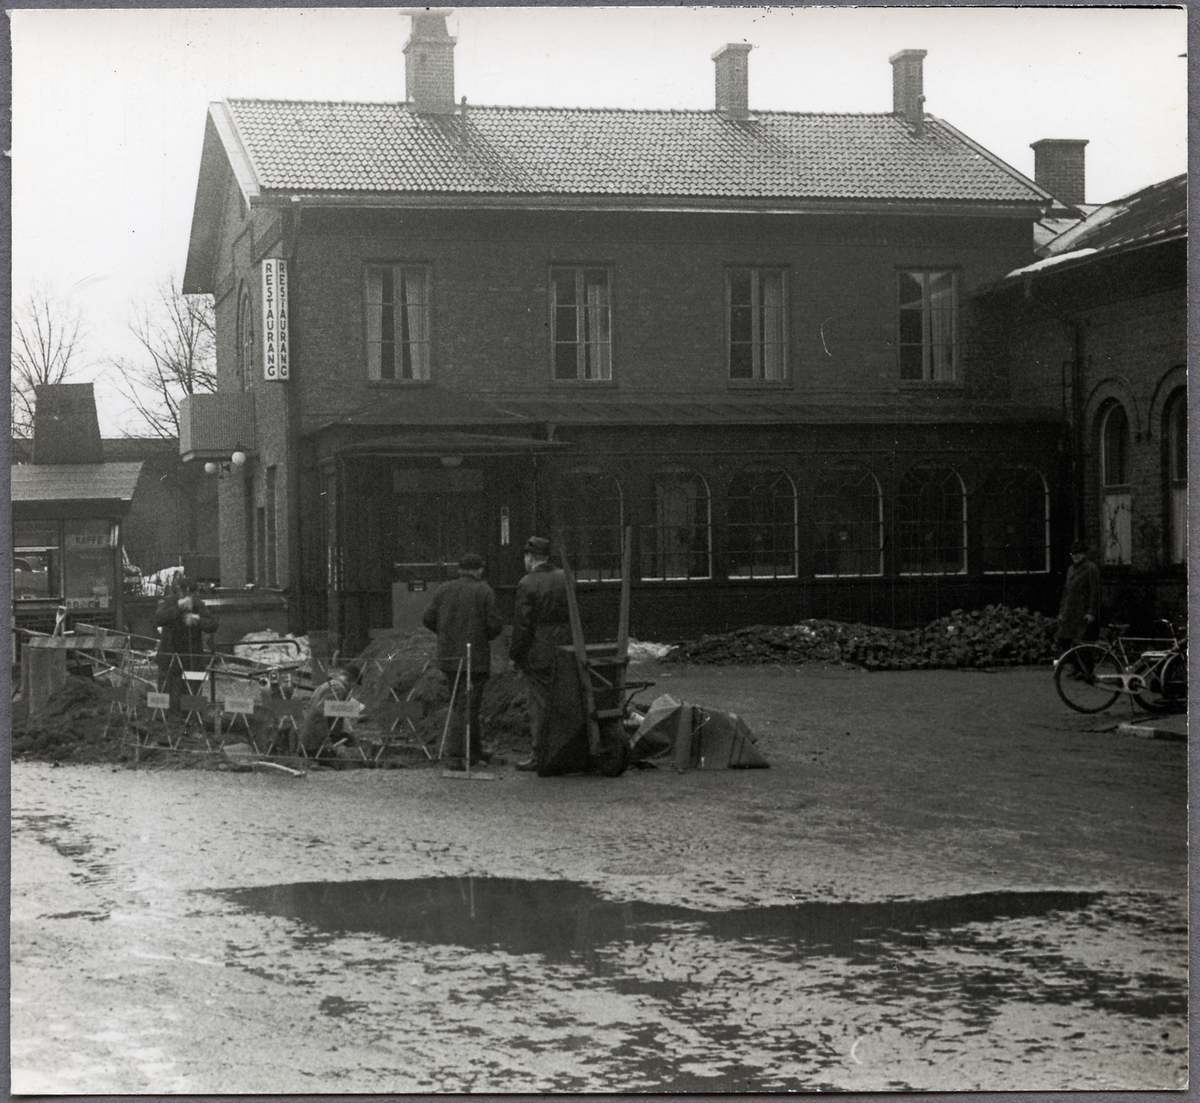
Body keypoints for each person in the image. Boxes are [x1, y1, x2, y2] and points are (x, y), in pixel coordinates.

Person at [422, 552, 504, 768]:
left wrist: (446, 634)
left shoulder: (443, 589)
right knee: (466, 707)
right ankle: (458, 756)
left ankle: (474, 752)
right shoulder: (484, 591)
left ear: (459, 569)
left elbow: (428, 618)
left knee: (462, 704)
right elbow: (494, 626)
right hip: (474, 659)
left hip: (449, 659)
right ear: (479, 569)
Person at [509, 536, 572, 772]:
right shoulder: (565, 577)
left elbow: (523, 625)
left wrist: (516, 654)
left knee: (539, 705)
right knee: (563, 700)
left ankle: (539, 754)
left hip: (539, 651)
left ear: (529, 558)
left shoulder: (527, 583)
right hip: (566, 647)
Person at [154, 574, 217, 706]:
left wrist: (198, 620)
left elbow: (213, 624)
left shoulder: (198, 605)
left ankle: (193, 719)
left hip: (191, 658)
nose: (189, 597)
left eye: (192, 594)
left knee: (191, 694)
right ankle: (167, 721)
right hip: (170, 656)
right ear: (180, 591)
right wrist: (178, 607)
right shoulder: (168, 602)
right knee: (169, 696)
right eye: (185, 593)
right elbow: (158, 619)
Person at [1056, 539, 1101, 649]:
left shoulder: (1091, 568)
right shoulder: (1070, 569)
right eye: (1073, 553)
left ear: (1084, 554)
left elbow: (1095, 592)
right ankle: (1072, 666)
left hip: (1083, 614)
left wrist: (1092, 612)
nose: (1076, 556)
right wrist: (1062, 612)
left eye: (1079, 553)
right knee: (1065, 642)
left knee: (1083, 646)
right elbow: (1066, 592)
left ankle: (1083, 666)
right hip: (1069, 614)